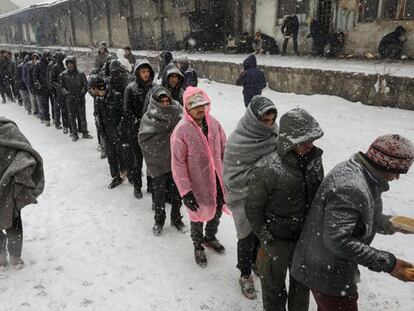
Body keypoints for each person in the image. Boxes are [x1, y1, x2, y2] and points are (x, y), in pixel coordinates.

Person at [291, 134, 414, 311]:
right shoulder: (352, 187)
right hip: (326, 272)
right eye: (397, 171)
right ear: (384, 164)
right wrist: (389, 263)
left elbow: (361, 217)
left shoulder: (361, 174)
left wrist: (392, 224)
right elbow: (338, 240)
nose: (397, 178)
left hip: (326, 265)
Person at [245, 108, 324, 311]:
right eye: (303, 141)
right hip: (275, 241)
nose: (309, 145)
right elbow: (253, 208)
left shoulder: (314, 161)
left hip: (304, 240)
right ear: (289, 140)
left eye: (311, 140)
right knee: (273, 291)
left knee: (302, 288)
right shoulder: (267, 169)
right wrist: (266, 237)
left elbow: (317, 197)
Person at [223, 96, 278, 300]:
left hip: (266, 198)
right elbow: (232, 176)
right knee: (245, 237)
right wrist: (260, 174)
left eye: (272, 120)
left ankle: (256, 262)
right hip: (244, 198)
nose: (269, 125)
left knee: (260, 234)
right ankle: (244, 274)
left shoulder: (274, 134)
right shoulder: (238, 141)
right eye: (265, 120)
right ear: (254, 120)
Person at [171, 86, 227, 267]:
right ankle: (198, 245)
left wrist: (229, 174)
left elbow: (225, 149)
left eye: (203, 104)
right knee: (197, 216)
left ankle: (210, 237)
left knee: (217, 208)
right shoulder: (181, 131)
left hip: (217, 179)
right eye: (195, 106)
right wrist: (186, 192)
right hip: (197, 183)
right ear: (187, 108)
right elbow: (178, 164)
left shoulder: (214, 124)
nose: (200, 109)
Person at [138, 86, 186, 235]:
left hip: (175, 162)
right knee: (159, 194)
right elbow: (143, 139)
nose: (165, 104)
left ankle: (176, 218)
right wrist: (158, 149)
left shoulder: (178, 113)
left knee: (177, 193)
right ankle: (159, 220)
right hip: (158, 163)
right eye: (162, 101)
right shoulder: (149, 117)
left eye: (167, 100)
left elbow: (185, 134)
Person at [0, 117, 45, 270]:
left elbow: (26, 153)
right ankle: (0, 255)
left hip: (10, 186)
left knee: (13, 218)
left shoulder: (8, 129)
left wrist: (17, 171)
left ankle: (15, 255)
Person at [121, 59, 156, 199]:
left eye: (147, 71)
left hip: (152, 131)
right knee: (137, 161)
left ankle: (151, 185)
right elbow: (126, 110)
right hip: (136, 131)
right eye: (143, 71)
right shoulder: (130, 89)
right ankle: (137, 186)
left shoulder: (154, 88)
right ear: (137, 73)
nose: (146, 74)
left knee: (151, 161)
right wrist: (137, 121)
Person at [89, 74, 124, 189]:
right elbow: (99, 117)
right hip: (107, 133)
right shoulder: (98, 100)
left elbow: (124, 115)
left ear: (97, 88)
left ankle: (129, 173)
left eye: (93, 89)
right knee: (111, 156)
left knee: (123, 155)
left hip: (118, 133)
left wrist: (120, 129)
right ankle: (116, 177)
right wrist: (102, 132)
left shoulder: (116, 97)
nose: (92, 92)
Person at [58, 56, 93, 142]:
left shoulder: (81, 74)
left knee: (82, 116)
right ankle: (74, 133)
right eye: (68, 64)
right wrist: (65, 93)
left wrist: (82, 93)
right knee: (71, 117)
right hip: (70, 99)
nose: (70, 65)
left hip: (80, 98)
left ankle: (84, 132)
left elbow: (86, 85)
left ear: (74, 64)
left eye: (71, 63)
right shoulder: (63, 75)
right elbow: (61, 87)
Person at [49, 51, 69, 133]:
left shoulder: (65, 66)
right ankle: (59, 123)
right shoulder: (54, 67)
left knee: (66, 109)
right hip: (58, 92)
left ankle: (67, 124)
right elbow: (51, 80)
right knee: (59, 108)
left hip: (66, 91)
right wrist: (59, 87)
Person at [33, 50, 52, 126]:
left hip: (51, 87)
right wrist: (38, 84)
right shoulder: (38, 64)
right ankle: (47, 119)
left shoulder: (51, 64)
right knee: (45, 105)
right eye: (47, 56)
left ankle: (55, 119)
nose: (48, 58)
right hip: (43, 88)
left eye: (49, 56)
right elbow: (34, 76)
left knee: (54, 105)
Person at [26, 52, 41, 117]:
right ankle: (35, 112)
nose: (35, 60)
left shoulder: (39, 66)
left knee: (38, 100)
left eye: (36, 58)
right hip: (32, 86)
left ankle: (40, 112)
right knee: (33, 100)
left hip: (38, 86)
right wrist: (30, 86)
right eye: (33, 59)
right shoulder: (30, 67)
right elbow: (29, 78)